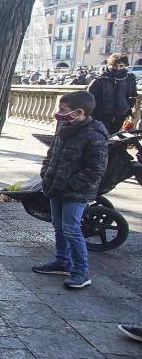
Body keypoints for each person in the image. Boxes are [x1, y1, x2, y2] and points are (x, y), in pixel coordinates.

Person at [32, 91, 108, 290]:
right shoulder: (65, 127)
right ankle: (62, 261)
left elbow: (96, 169)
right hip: (56, 187)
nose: (58, 113)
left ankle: (81, 271)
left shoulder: (94, 134)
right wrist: (46, 173)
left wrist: (71, 184)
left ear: (79, 112)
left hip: (76, 192)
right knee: (59, 225)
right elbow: (51, 154)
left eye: (63, 110)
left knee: (72, 229)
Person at [88, 53, 137, 135]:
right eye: (114, 66)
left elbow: (133, 95)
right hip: (102, 115)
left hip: (121, 114)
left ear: (125, 66)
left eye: (121, 66)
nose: (118, 68)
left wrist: (129, 109)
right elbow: (89, 99)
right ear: (109, 65)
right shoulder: (99, 80)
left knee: (115, 138)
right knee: (102, 136)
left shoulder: (130, 79)